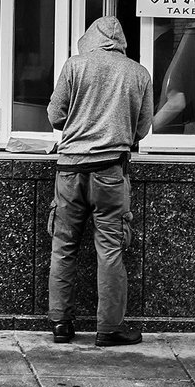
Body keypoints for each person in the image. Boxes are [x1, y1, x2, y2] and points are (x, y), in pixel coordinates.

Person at [46, 17, 153, 347]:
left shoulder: (74, 66)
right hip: (109, 171)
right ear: (119, 42)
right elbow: (142, 128)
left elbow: (55, 116)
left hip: (69, 171)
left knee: (63, 246)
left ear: (90, 38)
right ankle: (108, 329)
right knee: (109, 250)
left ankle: (61, 325)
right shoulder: (138, 73)